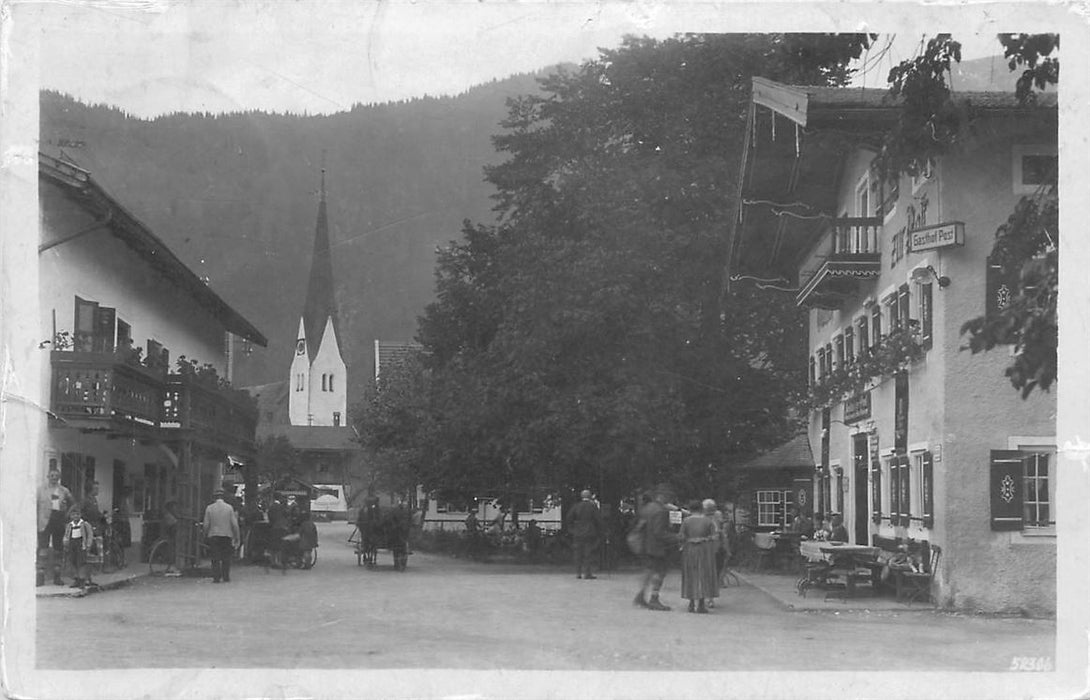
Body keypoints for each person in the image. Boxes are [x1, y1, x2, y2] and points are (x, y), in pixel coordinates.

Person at [634, 485, 677, 611]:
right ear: (663, 496)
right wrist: (676, 537)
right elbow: (659, 532)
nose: (670, 499)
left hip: (644, 545)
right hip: (657, 548)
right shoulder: (661, 511)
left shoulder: (648, 507)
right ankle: (654, 598)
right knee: (660, 572)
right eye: (669, 496)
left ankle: (641, 595)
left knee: (649, 570)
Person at [679, 499, 720, 613]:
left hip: (689, 550)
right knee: (703, 574)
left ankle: (691, 603)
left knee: (691, 574)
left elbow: (681, 536)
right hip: (704, 550)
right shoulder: (708, 521)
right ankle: (701, 604)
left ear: (690, 509)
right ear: (701, 509)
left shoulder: (686, 521)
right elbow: (715, 536)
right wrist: (705, 539)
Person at [37, 466, 74, 586]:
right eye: (52, 476)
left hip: (58, 521)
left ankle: (57, 577)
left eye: (56, 476)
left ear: (59, 478)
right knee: (43, 548)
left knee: (58, 549)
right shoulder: (41, 490)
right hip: (44, 522)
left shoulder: (63, 490)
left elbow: (73, 504)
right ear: (48, 477)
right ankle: (40, 577)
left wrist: (67, 514)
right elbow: (34, 505)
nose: (54, 478)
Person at [202, 487, 240, 583]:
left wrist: (204, 534)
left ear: (214, 497)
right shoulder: (229, 508)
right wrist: (236, 537)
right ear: (224, 497)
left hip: (214, 535)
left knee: (215, 558)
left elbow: (206, 524)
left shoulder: (209, 508)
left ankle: (216, 577)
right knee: (226, 557)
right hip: (227, 535)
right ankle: (226, 577)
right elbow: (234, 524)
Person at [566, 489, 603, 579]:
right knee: (588, 553)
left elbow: (569, 517)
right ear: (590, 496)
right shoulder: (592, 506)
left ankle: (578, 573)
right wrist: (600, 530)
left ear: (581, 496)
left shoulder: (576, 506)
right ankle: (587, 573)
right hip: (590, 532)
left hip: (577, 532)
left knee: (578, 553)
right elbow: (598, 520)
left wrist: (572, 529)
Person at [62, 505, 95, 589]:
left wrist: (88, 544)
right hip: (72, 544)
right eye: (73, 515)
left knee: (81, 562)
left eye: (77, 514)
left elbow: (90, 534)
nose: (75, 516)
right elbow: (66, 535)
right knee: (73, 561)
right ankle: (76, 579)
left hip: (81, 544)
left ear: (80, 515)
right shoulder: (70, 525)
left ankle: (82, 580)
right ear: (70, 516)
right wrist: (65, 543)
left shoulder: (84, 524)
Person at [161, 501, 180, 575]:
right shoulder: (169, 516)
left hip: (171, 534)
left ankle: (171, 563)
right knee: (172, 549)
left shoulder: (170, 515)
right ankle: (171, 563)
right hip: (171, 535)